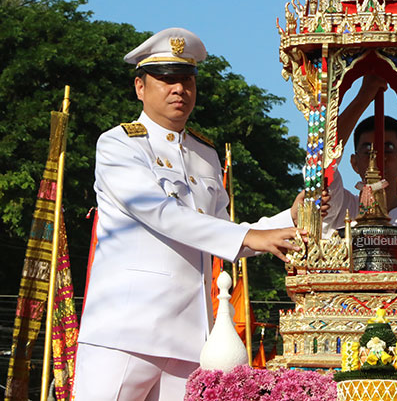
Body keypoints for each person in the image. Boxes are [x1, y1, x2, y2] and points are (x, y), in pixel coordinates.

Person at [73, 28, 304, 400]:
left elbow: (223, 233)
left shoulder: (205, 154)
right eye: (166, 79)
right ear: (140, 87)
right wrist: (245, 237)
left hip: (189, 340)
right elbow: (162, 214)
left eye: (186, 79)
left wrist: (290, 218)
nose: (178, 88)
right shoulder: (117, 143)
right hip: (124, 332)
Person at [322, 75, 397, 237]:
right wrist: (363, 97)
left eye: (388, 150)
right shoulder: (341, 208)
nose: (377, 158)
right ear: (354, 163)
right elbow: (323, 161)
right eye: (367, 151)